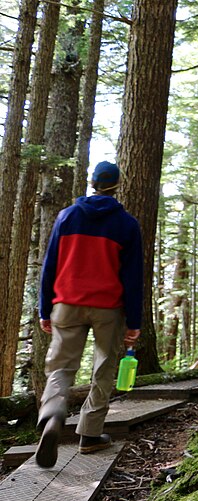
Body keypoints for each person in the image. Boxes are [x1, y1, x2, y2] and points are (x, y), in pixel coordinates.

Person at [35, 161, 143, 468]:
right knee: (103, 368)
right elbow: (133, 277)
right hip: (108, 308)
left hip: (67, 304)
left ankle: (53, 412)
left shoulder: (67, 216)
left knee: (61, 367)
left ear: (92, 183)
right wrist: (134, 321)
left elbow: (50, 265)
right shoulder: (127, 224)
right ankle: (90, 435)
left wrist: (45, 308)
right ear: (117, 186)